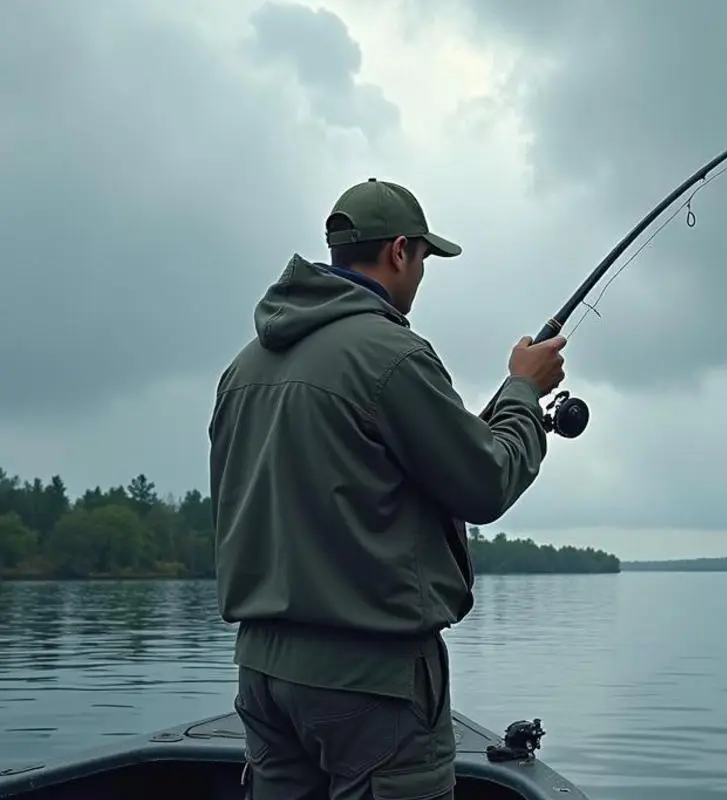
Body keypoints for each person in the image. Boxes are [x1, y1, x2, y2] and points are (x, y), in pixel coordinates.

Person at [208, 177, 568, 800]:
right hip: (373, 681)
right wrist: (524, 392)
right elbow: (486, 484)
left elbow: (343, 483)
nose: (423, 273)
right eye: (425, 258)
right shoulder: (391, 355)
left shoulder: (242, 369)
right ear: (400, 251)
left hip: (263, 673)